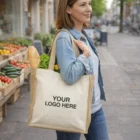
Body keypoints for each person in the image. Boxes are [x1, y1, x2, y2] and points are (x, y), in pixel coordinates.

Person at [55, 0, 109, 140]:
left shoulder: (84, 36)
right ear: (68, 9)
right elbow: (69, 75)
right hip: (71, 109)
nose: (89, 9)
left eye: (89, 3)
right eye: (82, 4)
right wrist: (84, 55)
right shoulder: (64, 38)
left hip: (95, 109)